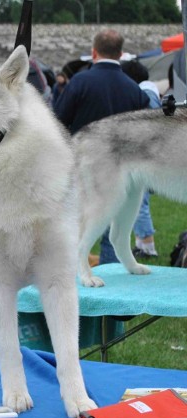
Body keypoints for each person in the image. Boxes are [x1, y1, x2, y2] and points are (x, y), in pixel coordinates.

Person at [54, 29, 150, 265]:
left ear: (93, 52)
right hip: (121, 166)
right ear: (121, 53)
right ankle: (110, 271)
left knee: (76, 219)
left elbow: (58, 120)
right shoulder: (134, 89)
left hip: (82, 161)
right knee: (112, 225)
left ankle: (71, 269)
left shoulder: (80, 82)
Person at [121, 60, 161, 258]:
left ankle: (147, 246)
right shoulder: (151, 92)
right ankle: (143, 243)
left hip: (142, 155)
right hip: (148, 154)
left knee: (139, 201)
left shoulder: (145, 95)